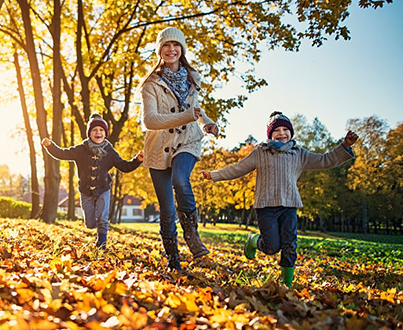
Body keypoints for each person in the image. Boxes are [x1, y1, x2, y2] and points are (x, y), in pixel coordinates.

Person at [201, 111, 359, 287]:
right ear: (270, 134)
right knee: (272, 247)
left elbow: (325, 160)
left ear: (291, 133)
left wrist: (344, 145)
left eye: (286, 129)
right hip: (266, 207)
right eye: (277, 130)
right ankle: (254, 240)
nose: (282, 133)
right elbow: (238, 168)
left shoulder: (299, 154)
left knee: (290, 245)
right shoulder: (261, 152)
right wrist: (213, 175)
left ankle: (286, 285)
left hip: (289, 206)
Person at [139, 26, 220, 271]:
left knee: (180, 180)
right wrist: (186, 116)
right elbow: (149, 121)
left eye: (175, 45)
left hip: (187, 142)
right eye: (166, 45)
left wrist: (207, 123)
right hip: (159, 148)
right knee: (166, 208)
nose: (171, 49)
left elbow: (196, 110)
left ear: (181, 49)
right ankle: (173, 259)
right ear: (159, 50)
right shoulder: (150, 84)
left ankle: (193, 238)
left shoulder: (192, 78)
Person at [42, 113, 144, 249]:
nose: (98, 132)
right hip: (86, 191)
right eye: (95, 130)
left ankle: (101, 244)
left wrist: (137, 160)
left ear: (105, 134)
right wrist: (50, 146)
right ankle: (95, 226)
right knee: (90, 223)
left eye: (101, 130)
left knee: (103, 218)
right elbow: (63, 153)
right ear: (89, 133)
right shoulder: (80, 149)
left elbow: (124, 166)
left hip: (103, 189)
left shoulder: (109, 151)